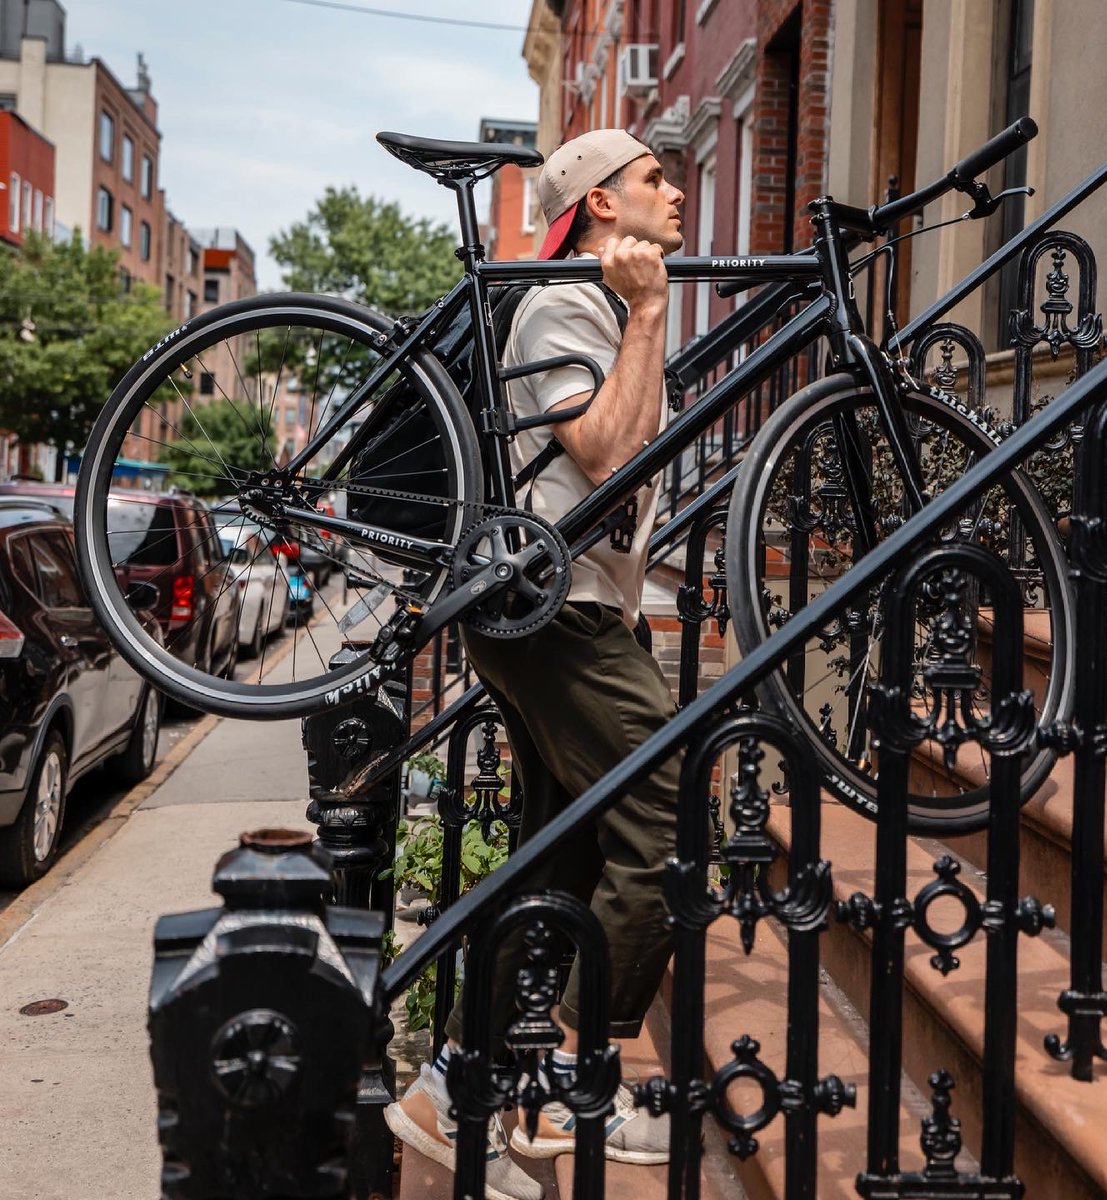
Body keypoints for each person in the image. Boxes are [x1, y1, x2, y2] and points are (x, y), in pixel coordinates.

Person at [385, 129, 687, 1200]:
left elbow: (630, 470)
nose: (675, 191)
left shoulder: (593, 308)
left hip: (573, 610)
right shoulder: (566, 304)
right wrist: (648, 313)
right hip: (552, 616)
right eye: (654, 179)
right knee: (670, 814)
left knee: (557, 861)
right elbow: (603, 451)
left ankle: (450, 1091)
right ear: (601, 206)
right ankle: (561, 1066)